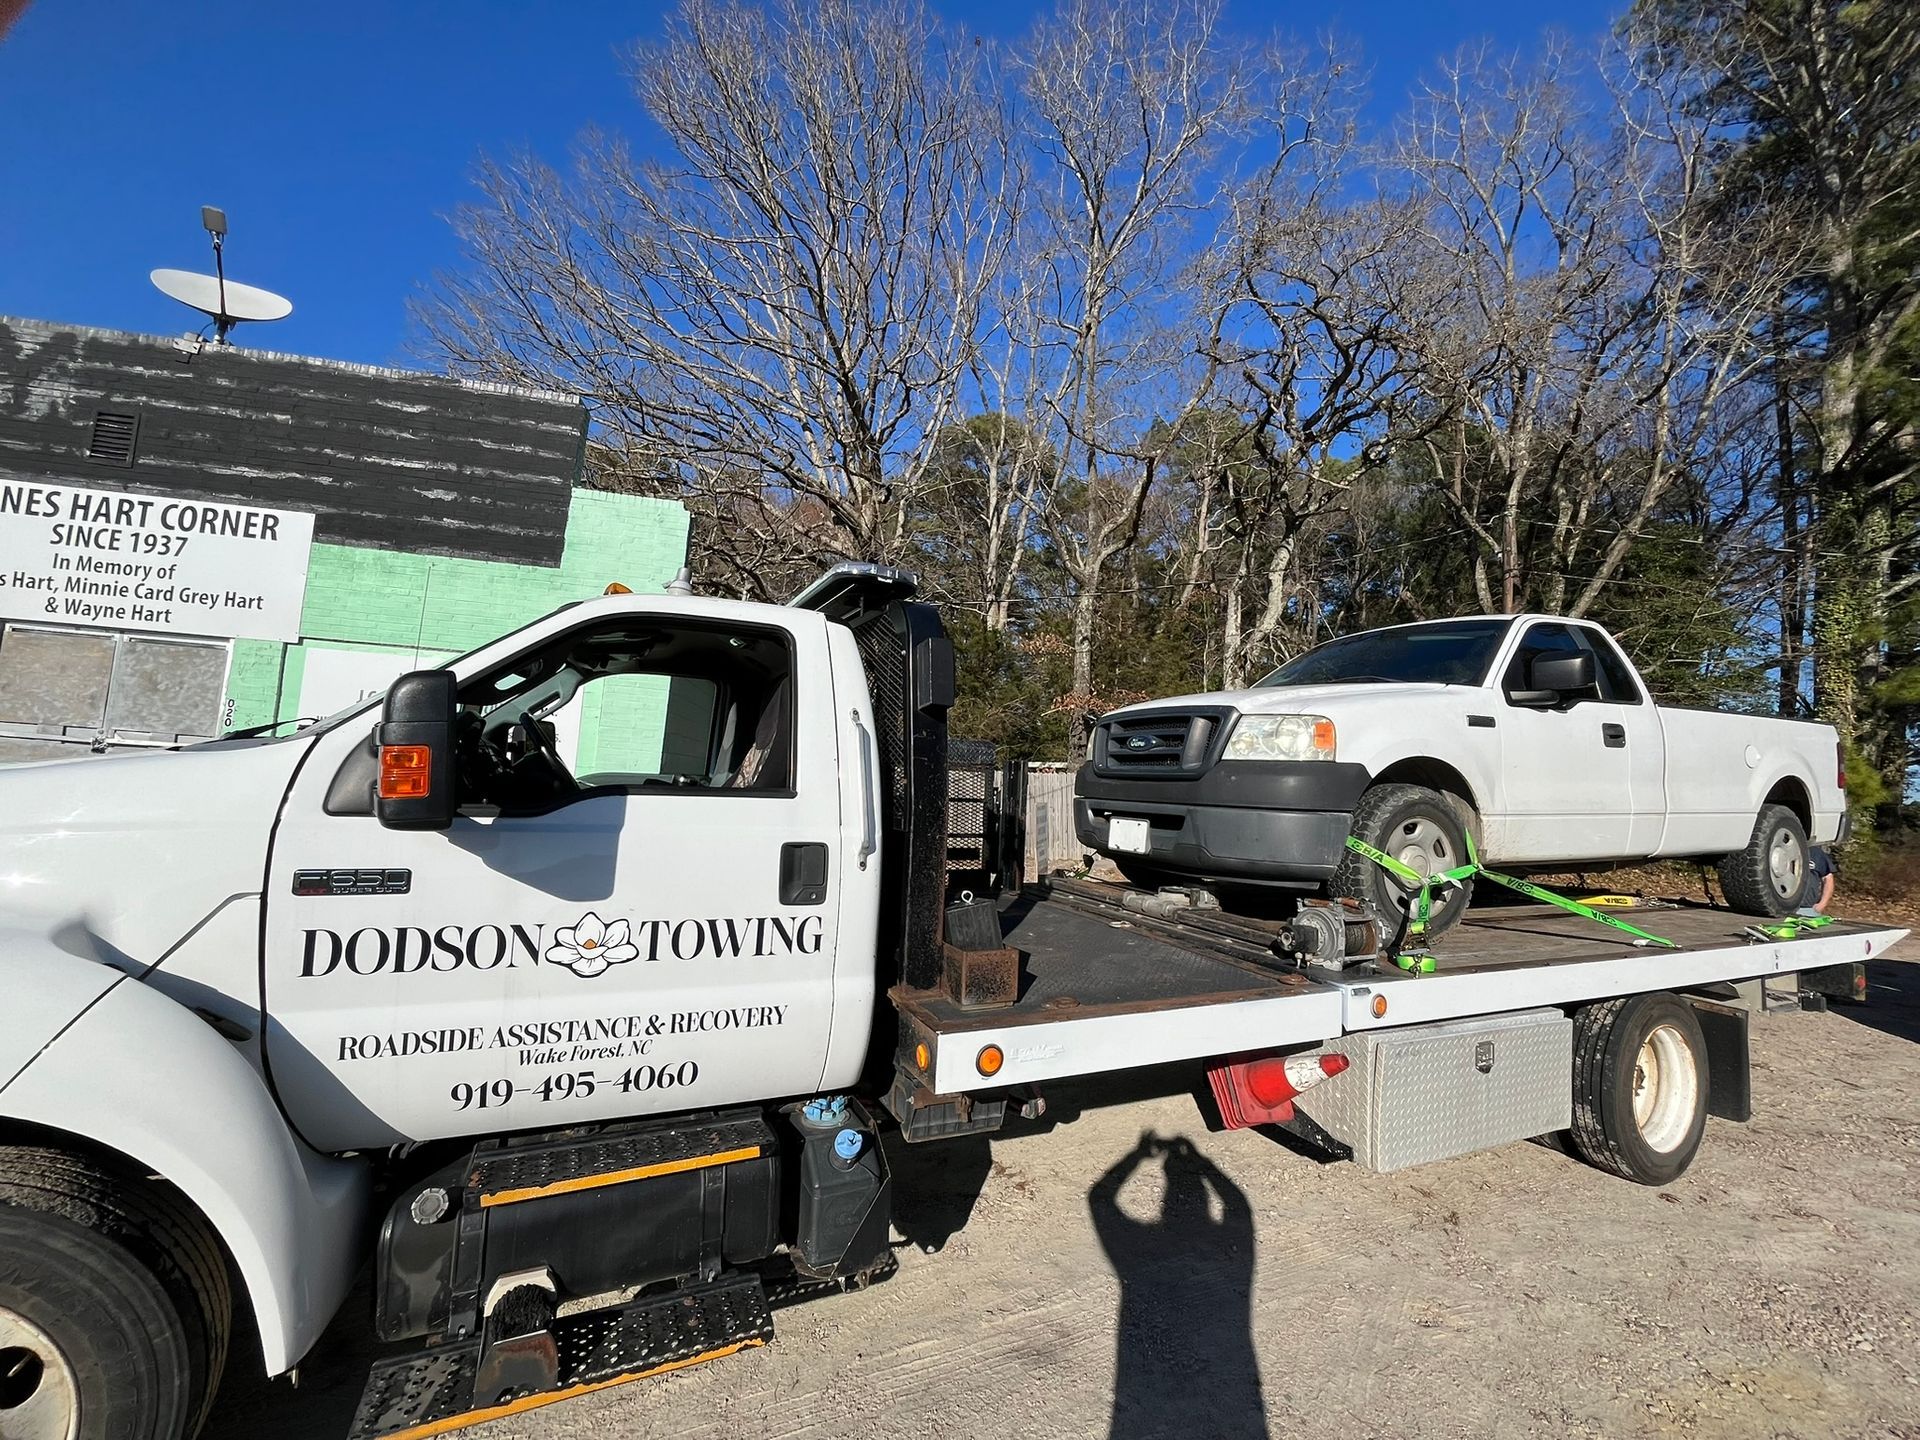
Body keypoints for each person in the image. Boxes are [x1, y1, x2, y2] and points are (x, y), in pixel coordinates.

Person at [1800, 844, 1836, 917]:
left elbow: (1827, 879)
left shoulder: (1816, 853)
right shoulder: (1779, 849)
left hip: (1807, 909)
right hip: (1781, 908)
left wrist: (1822, 904)